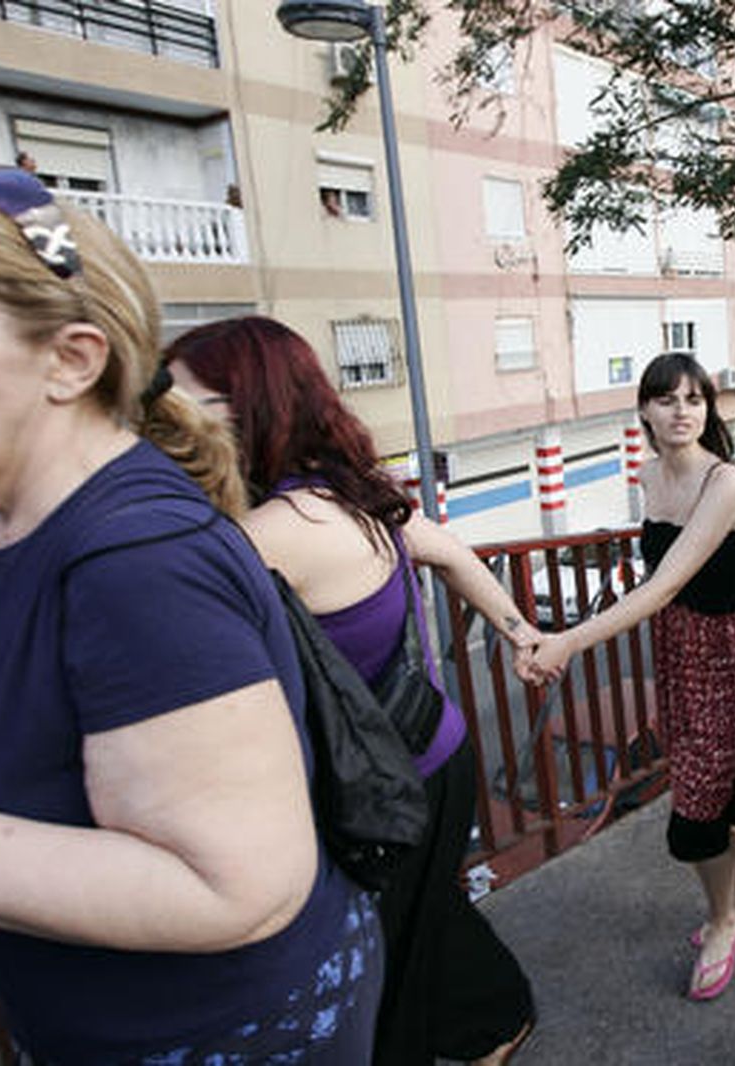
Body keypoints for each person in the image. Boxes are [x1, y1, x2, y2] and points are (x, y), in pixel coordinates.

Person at [0, 165, 381, 1061]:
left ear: (71, 360)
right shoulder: (9, 531)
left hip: (218, 1036)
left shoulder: (135, 563)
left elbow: (237, 887)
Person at [165, 316, 538, 1066]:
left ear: (248, 409)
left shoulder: (266, 533)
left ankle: (488, 1026)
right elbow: (452, 553)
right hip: (432, 758)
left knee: (379, 962)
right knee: (426, 917)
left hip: (383, 788)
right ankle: (497, 1024)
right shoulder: (348, 495)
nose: (160, 426)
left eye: (180, 407)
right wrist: (518, 631)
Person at [526, 352, 735, 1001]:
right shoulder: (647, 473)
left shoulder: (725, 481)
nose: (681, 412)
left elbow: (663, 584)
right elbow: (657, 583)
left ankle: (724, 919)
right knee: (707, 776)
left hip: (733, 648)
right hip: (679, 647)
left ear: (708, 409)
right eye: (667, 400)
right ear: (644, 408)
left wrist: (567, 641)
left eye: (694, 400)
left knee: (697, 802)